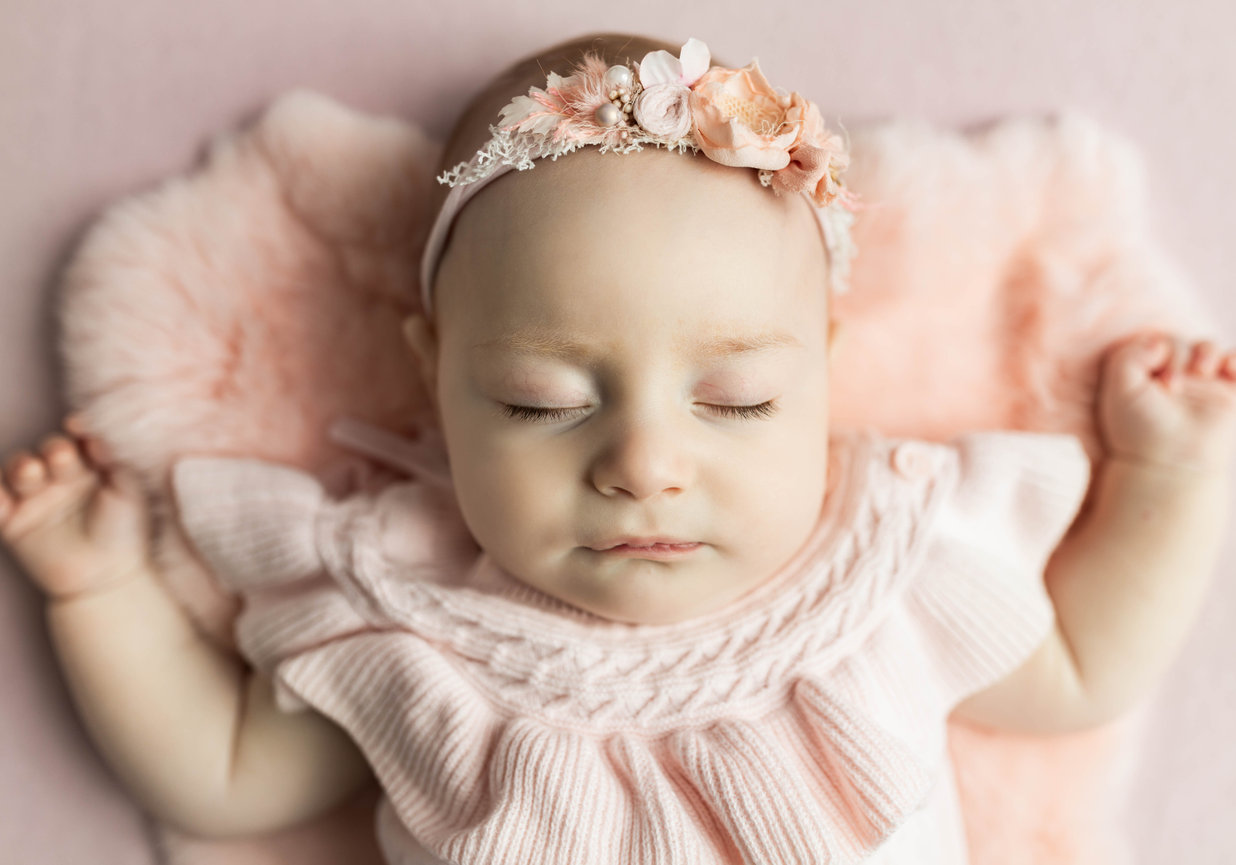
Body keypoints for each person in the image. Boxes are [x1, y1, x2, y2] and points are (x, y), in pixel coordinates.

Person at [2, 31, 1234, 865]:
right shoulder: (407, 617)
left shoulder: (892, 565)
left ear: (825, 360)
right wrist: (99, 588)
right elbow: (220, 779)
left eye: (738, 398)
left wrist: (1169, 474)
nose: (645, 462)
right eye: (542, 400)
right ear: (435, 373)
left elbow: (1080, 671)